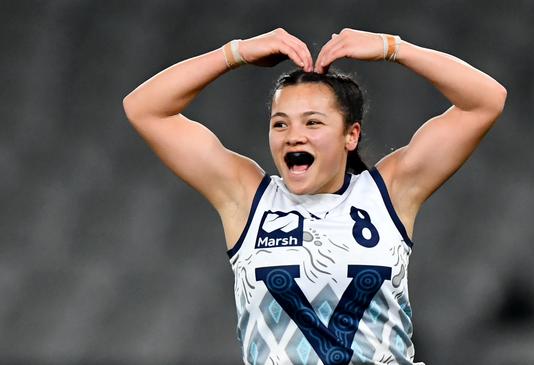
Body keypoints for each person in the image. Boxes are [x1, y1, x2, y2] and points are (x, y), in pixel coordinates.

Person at [123, 28, 506, 365]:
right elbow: (145, 109)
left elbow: (485, 100)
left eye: (313, 122)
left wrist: (393, 47)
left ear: (350, 135)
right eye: (280, 123)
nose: (294, 136)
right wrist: (235, 52)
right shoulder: (248, 199)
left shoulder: (388, 193)